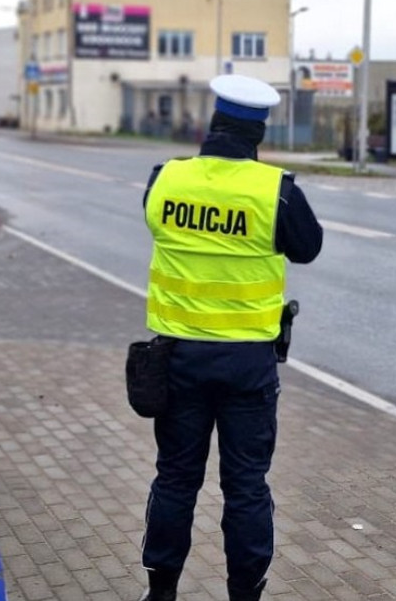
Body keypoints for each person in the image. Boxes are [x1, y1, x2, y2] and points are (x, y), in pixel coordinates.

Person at [138, 74, 323, 601]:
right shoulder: (276, 192)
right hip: (248, 368)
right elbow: (308, 248)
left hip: (178, 363)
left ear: (210, 124)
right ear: (257, 134)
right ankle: (245, 595)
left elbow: (155, 225)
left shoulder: (165, 179)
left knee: (175, 479)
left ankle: (161, 592)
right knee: (245, 488)